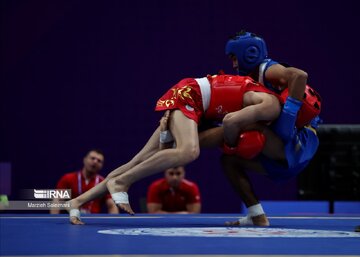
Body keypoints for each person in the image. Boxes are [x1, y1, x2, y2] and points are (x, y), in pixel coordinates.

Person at [67, 74, 281, 224]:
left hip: (195, 107)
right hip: (191, 97)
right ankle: (122, 182)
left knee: (137, 160)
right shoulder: (270, 105)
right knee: (189, 151)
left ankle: (77, 201)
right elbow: (230, 121)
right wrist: (234, 145)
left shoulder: (261, 97)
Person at [218, 30, 322, 226]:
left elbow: (300, 76)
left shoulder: (268, 69)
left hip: (298, 144)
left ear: (249, 53)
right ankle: (257, 215)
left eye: (234, 58)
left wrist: (287, 121)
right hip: (285, 157)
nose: (233, 64)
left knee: (240, 127)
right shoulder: (249, 79)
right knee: (229, 161)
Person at [50, 149, 118, 214]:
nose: (95, 162)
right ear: (84, 160)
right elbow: (57, 201)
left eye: (99, 161)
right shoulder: (68, 178)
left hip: (94, 223)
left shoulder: (104, 183)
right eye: (92, 158)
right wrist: (54, 221)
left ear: (101, 166)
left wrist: (113, 223)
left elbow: (112, 206)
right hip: (71, 220)